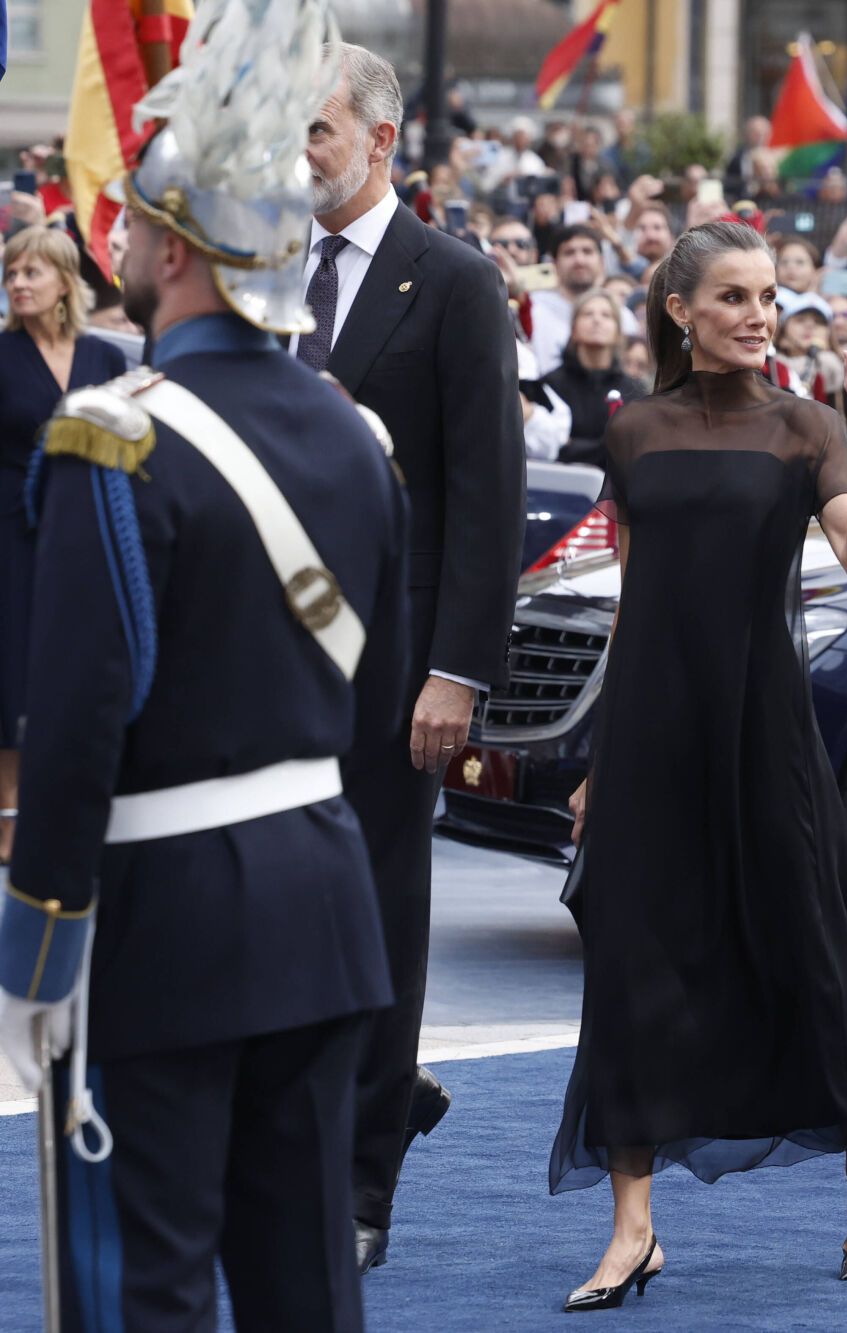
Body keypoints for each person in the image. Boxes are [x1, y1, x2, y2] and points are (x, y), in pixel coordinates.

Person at [0, 5, 408, 1325]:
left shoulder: (111, 437)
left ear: (178, 253)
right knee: (308, 1290)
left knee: (144, 1288)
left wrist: (37, 952)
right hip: (326, 904)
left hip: (165, 921)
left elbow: (75, 719)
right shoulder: (356, 440)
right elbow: (376, 696)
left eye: (129, 225)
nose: (111, 240)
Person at [553, 221, 847, 1306]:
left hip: (763, 730)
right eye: (732, 296)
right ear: (680, 310)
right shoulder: (633, 433)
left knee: (804, 951)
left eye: (766, 295)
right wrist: (594, 757)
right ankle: (633, 1227)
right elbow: (633, 605)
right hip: (650, 736)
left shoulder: (805, 429)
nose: (758, 313)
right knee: (631, 964)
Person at [298, 40, 527, 1273]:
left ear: (381, 141)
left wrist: (459, 673)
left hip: (398, 670)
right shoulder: (265, 273)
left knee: (380, 920)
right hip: (262, 663)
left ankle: (360, 1182)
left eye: (317, 133)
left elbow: (485, 494)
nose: (300, 157)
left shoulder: (452, 283)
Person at [0, 228, 125, 866]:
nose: (19, 282)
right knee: (14, 672)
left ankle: (80, 808)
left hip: (88, 532)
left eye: (31, 272)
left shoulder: (106, 358)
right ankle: (11, 815)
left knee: (82, 663)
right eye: (12, 273)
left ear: (64, 282)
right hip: (12, 532)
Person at [543, 289, 648, 467]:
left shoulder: (635, 391)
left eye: (606, 315)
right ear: (573, 329)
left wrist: (574, 445)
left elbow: (633, 452)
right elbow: (549, 447)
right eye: (587, 314)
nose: (596, 320)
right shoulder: (551, 384)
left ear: (617, 332)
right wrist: (607, 446)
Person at [528, 223, 641, 376]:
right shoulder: (534, 309)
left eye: (587, 252)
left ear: (602, 262)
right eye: (569, 253)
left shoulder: (622, 316)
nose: (579, 260)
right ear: (554, 264)